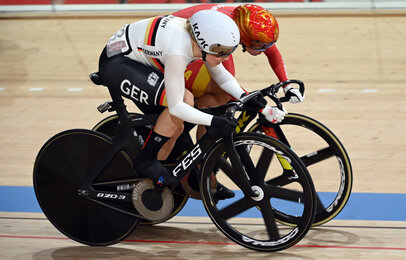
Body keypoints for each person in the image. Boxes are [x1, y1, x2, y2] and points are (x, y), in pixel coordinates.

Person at [95, 10, 286, 197]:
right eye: (222, 52)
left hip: (141, 60)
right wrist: (215, 121)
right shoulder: (178, 49)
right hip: (117, 64)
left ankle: (157, 165)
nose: (226, 58)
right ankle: (146, 161)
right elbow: (178, 107)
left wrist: (253, 102)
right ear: (205, 45)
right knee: (183, 102)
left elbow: (223, 78)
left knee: (176, 128)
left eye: (231, 51)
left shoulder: (200, 43)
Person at [173, 4, 304, 139]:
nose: (265, 49)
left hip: (184, 45)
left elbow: (273, 54)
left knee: (218, 99)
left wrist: (287, 86)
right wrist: (262, 107)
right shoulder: (224, 34)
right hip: (171, 53)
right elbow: (226, 80)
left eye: (269, 44)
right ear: (245, 37)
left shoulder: (244, 21)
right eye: (260, 46)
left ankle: (205, 155)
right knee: (222, 92)